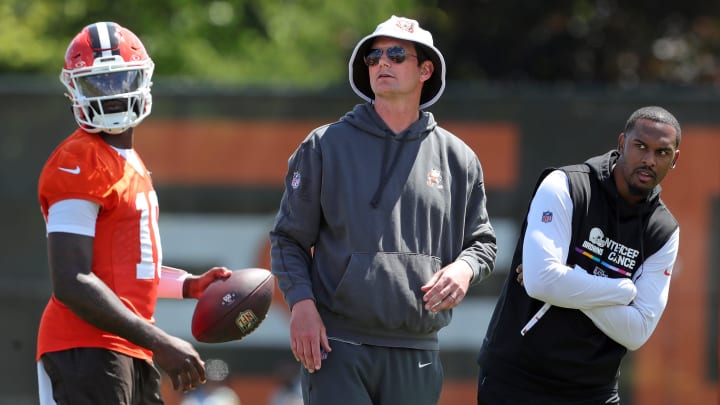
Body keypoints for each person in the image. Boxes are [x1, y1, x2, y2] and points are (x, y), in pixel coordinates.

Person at [269, 15, 497, 405]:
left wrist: (464, 268)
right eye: (373, 57)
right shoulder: (325, 145)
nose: (382, 64)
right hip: (337, 344)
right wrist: (301, 306)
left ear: (426, 69)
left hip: (418, 349)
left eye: (396, 54)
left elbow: (482, 244)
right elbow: (288, 239)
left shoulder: (458, 158)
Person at [36, 22, 232, 404]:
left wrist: (189, 285)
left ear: (142, 80)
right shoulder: (79, 159)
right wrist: (159, 340)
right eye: (98, 84)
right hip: (85, 347)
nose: (111, 95)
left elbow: (126, 271)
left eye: (120, 80)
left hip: (126, 346)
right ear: (75, 89)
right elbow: (72, 279)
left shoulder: (129, 162)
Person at [476, 106, 681, 404]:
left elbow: (637, 331)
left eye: (662, 152)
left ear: (674, 159)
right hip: (517, 378)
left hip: (593, 391)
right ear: (622, 143)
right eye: (640, 147)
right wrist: (621, 290)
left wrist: (570, 276)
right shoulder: (566, 185)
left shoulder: (663, 229)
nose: (649, 160)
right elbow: (542, 282)